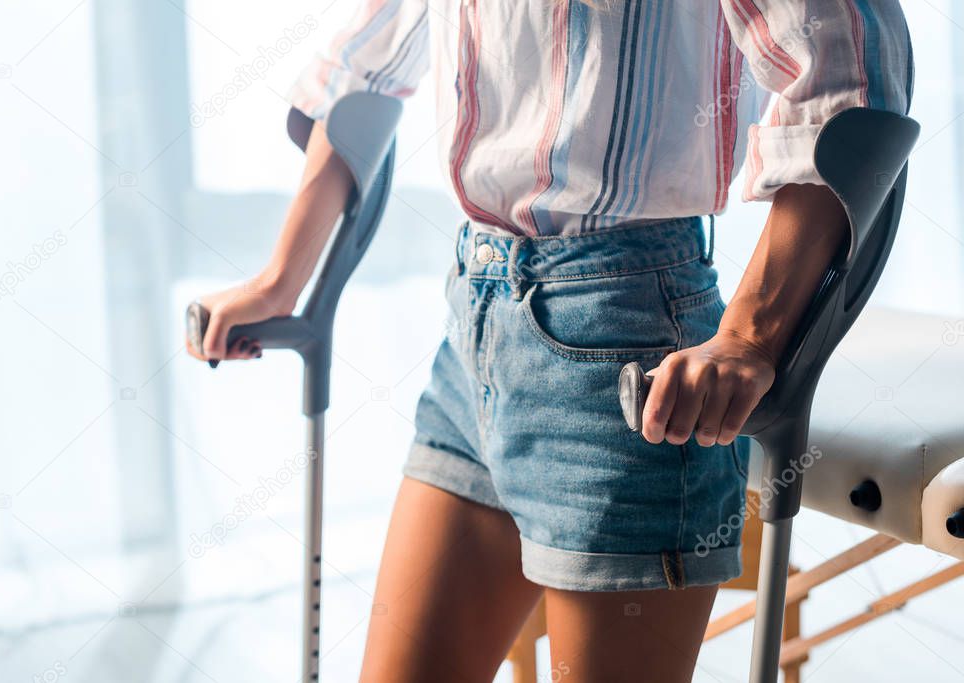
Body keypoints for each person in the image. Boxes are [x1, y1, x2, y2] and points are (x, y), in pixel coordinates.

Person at [186, 1, 912, 680]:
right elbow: (364, 73)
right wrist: (282, 278)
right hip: (473, 325)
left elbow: (851, 77)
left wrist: (752, 334)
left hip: (626, 346)